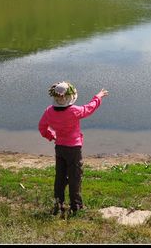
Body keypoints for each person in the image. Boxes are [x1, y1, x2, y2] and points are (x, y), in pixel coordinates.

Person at [38, 81, 109, 216]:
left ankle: (58, 204)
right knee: (74, 177)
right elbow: (89, 108)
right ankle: (76, 206)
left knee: (60, 177)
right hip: (74, 149)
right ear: (69, 97)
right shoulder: (74, 111)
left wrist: (51, 135)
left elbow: (42, 127)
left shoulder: (49, 111)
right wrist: (98, 96)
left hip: (59, 147)